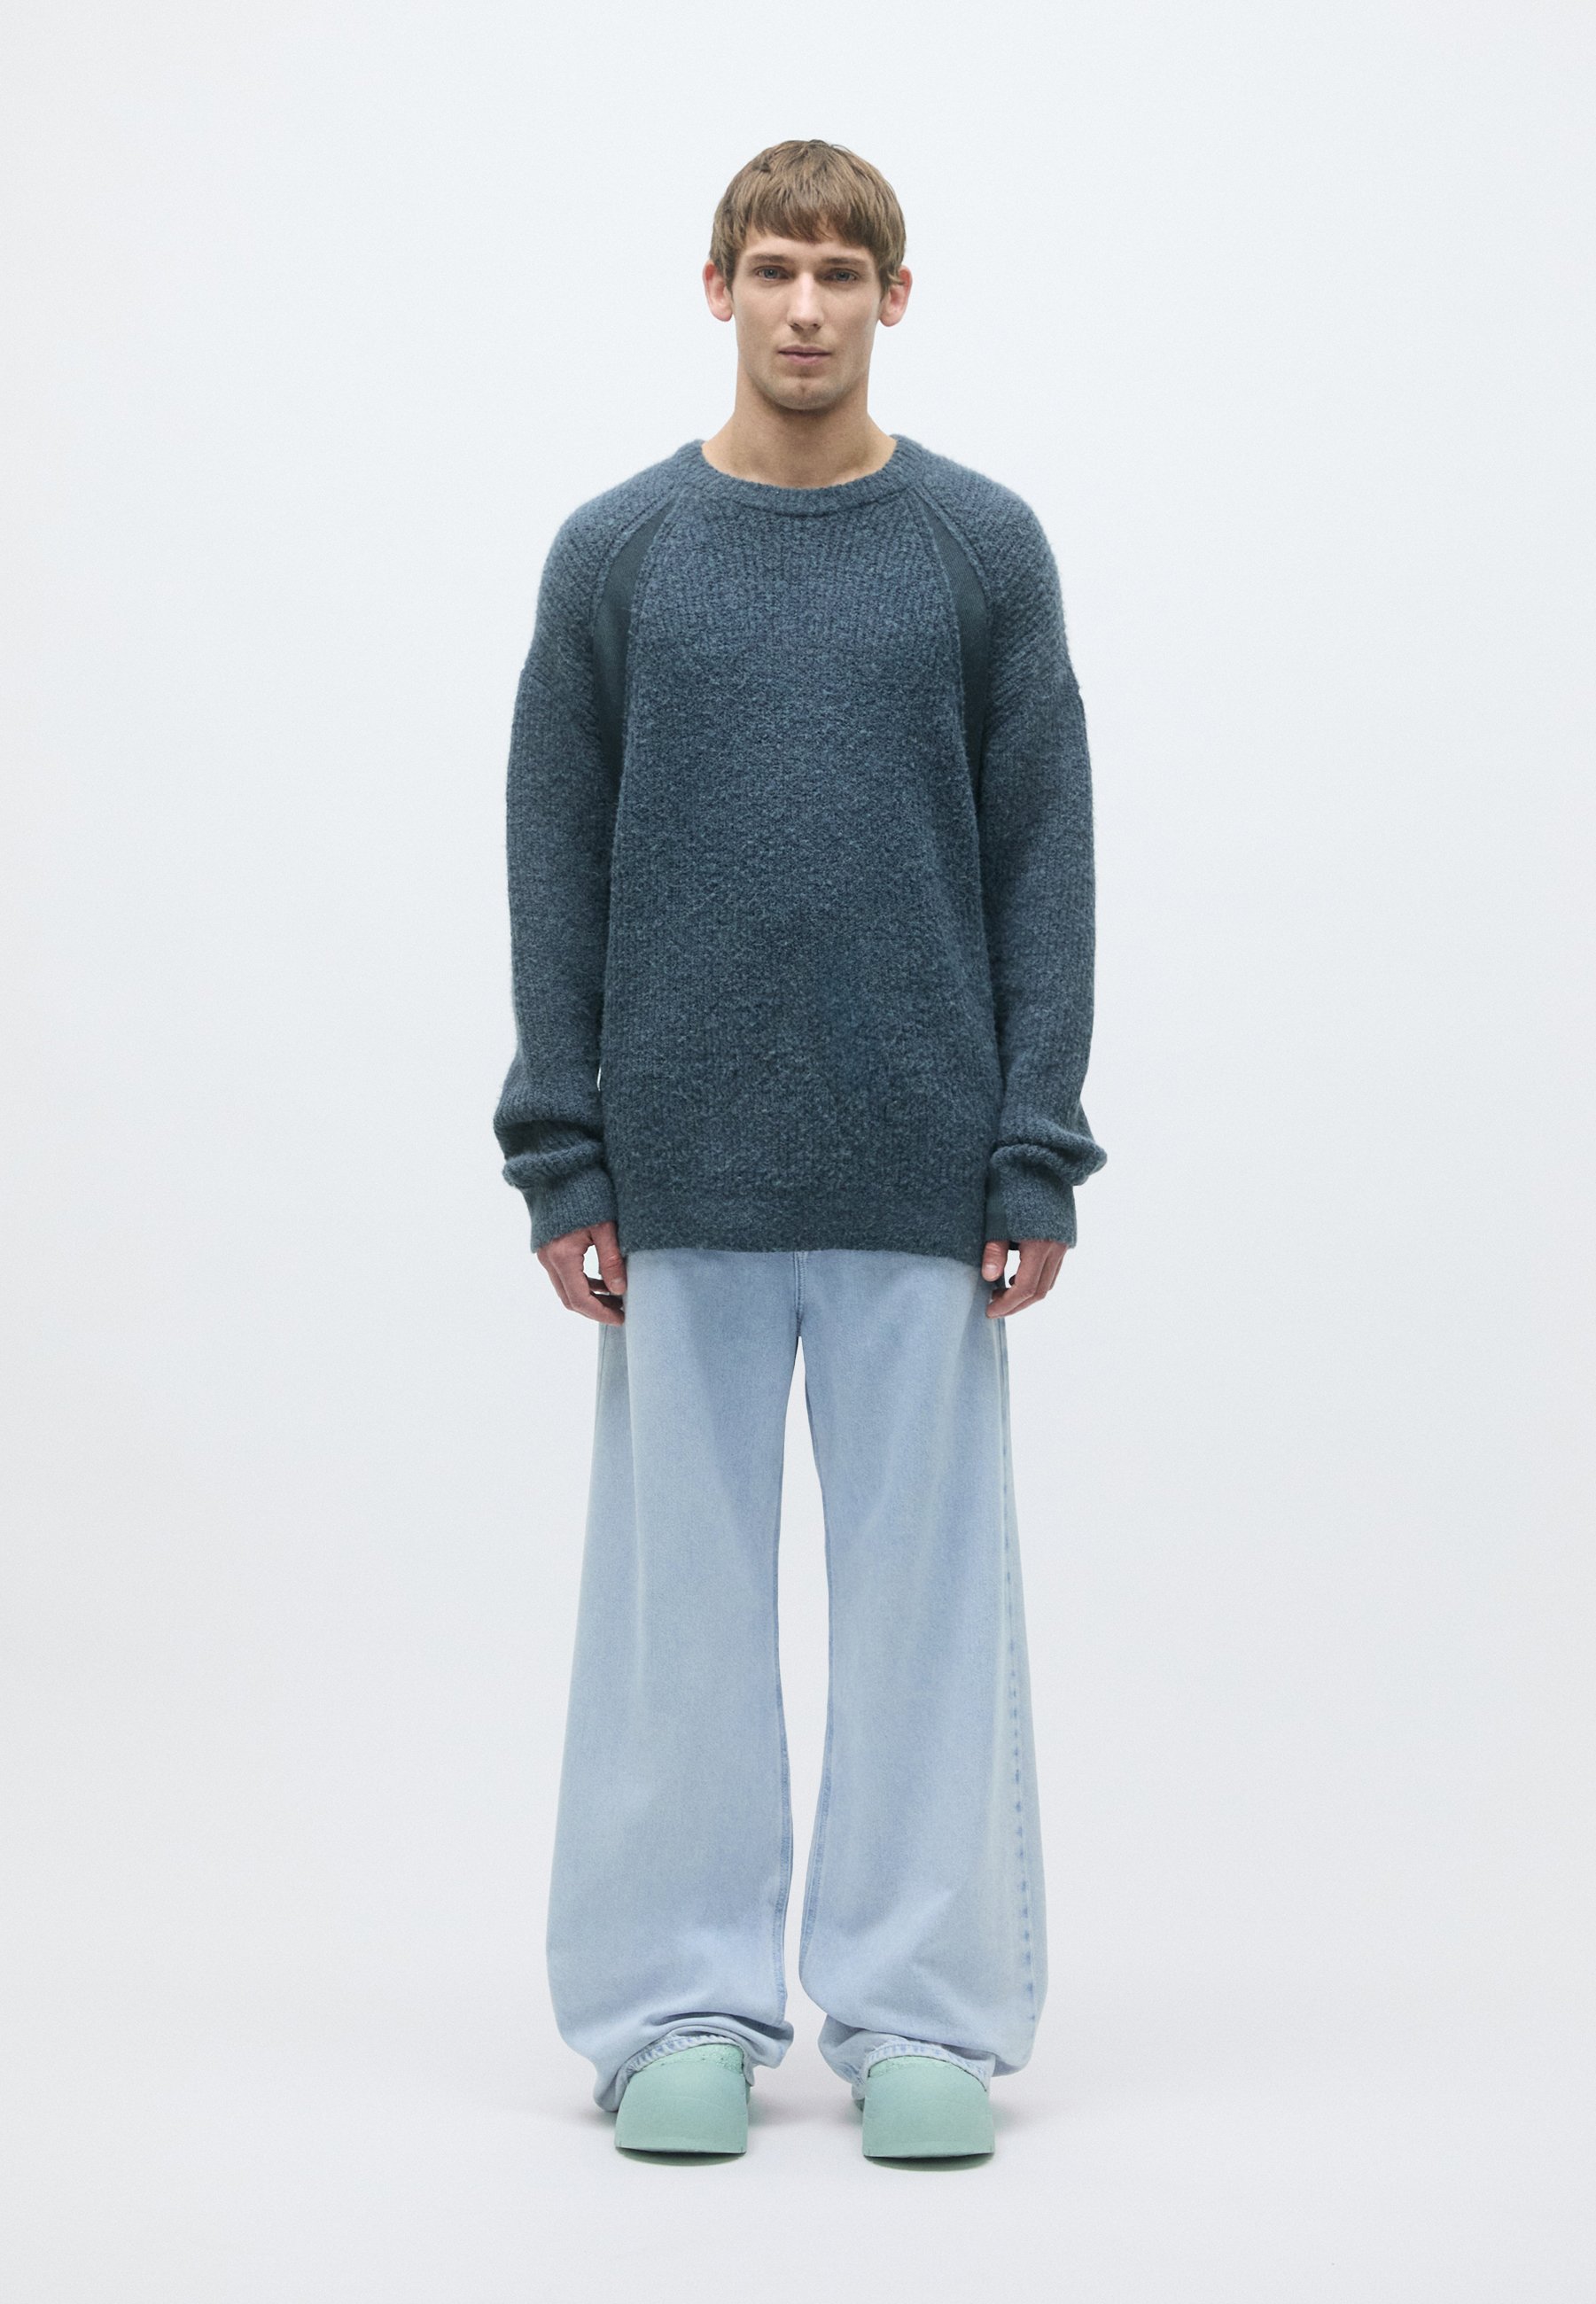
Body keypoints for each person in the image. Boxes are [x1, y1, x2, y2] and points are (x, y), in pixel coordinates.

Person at [492, 136, 1106, 2162]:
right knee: (678, 1619)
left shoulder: (979, 550)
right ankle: (675, 2005)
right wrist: (564, 1154)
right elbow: (553, 859)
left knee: (927, 1612)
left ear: (895, 298)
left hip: (920, 1170)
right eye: (775, 267)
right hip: (681, 1173)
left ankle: (922, 2014)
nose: (809, 305)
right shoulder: (620, 555)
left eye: (844, 271)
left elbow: (1043, 857)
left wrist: (1031, 1148)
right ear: (717, 288)